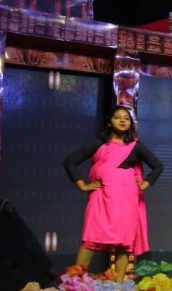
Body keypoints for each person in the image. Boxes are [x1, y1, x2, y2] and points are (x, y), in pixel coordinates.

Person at [63, 105, 162, 279]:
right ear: (109, 122)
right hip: (101, 197)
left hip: (127, 199)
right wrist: (82, 185)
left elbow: (157, 166)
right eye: (117, 117)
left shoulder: (135, 146)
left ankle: (118, 286)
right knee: (90, 238)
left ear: (130, 123)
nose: (122, 120)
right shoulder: (99, 144)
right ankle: (76, 284)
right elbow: (70, 161)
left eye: (126, 118)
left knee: (124, 243)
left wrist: (144, 184)